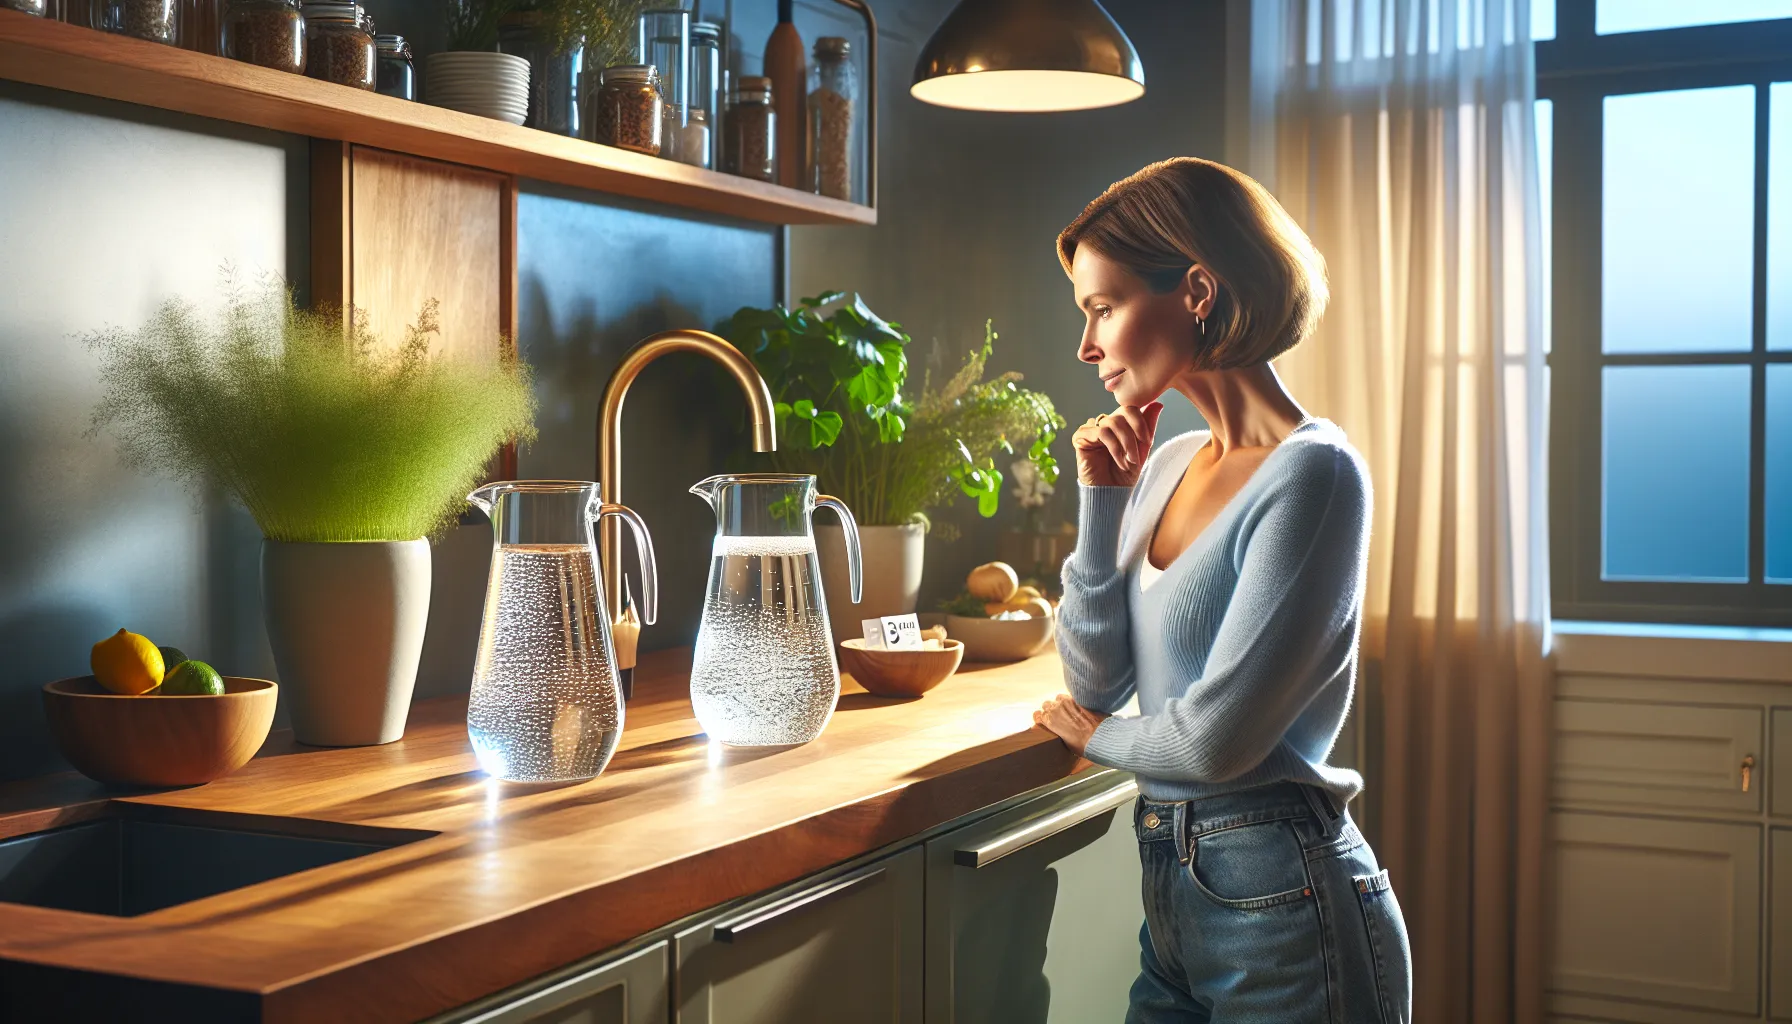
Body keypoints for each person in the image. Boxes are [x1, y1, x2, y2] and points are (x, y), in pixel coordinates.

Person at [1031, 157, 1413, 1023]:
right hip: (1173, 892)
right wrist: (1101, 502)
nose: (1086, 346)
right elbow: (1093, 679)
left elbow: (1215, 744)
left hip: (1287, 900)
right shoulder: (1164, 467)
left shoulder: (1314, 475)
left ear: (1196, 290)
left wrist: (1095, 736)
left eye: (1104, 307)